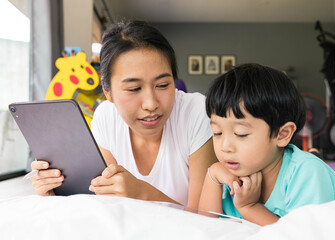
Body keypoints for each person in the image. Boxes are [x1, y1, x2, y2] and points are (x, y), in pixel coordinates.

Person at [30, 20, 217, 209]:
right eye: (134, 88)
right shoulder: (106, 117)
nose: (151, 104)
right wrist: (58, 191)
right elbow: (104, 201)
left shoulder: (196, 112)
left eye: (162, 85)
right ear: (108, 92)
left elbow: (205, 217)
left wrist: (142, 193)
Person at [198, 63, 335, 226]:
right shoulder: (230, 172)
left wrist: (249, 207)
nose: (225, 147)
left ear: (282, 134)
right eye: (217, 132)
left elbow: (304, 235)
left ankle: (313, 155)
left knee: (312, 163)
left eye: (240, 134)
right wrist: (212, 177)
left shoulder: (306, 173)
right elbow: (203, 227)